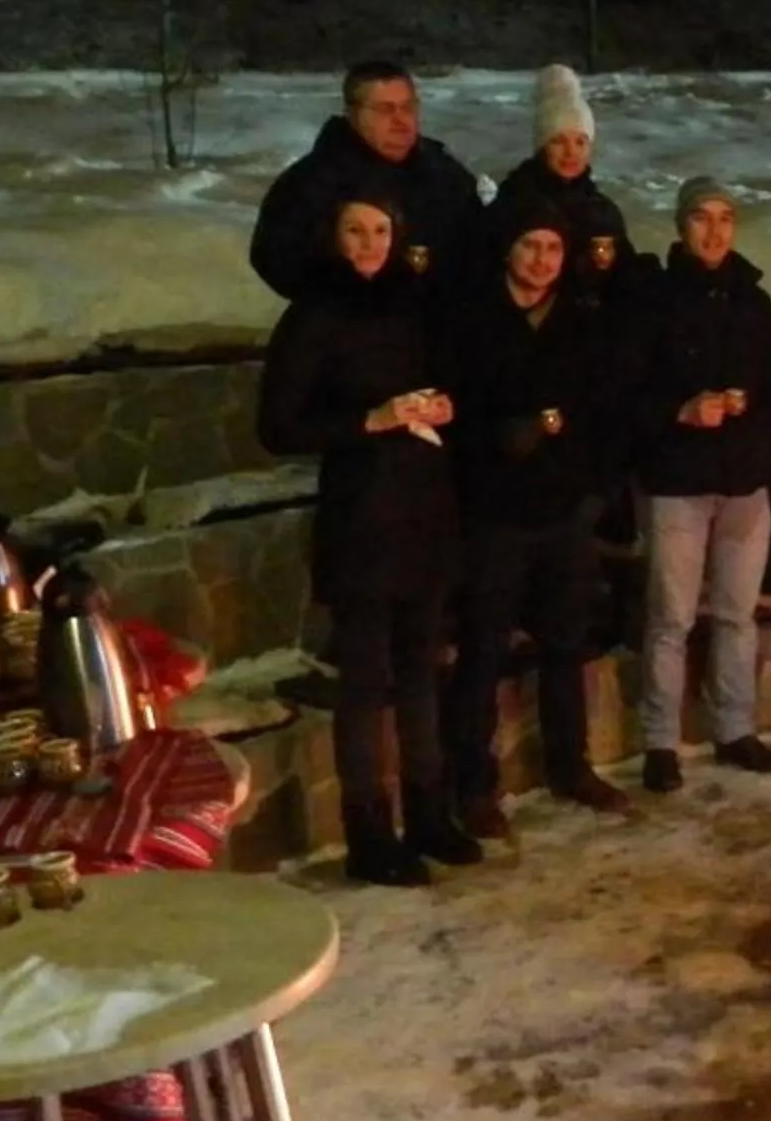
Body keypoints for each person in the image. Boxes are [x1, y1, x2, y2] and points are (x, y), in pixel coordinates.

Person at [256, 196, 477, 885]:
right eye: (355, 230)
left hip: (425, 509)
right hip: (361, 519)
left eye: (381, 230)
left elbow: (454, 378)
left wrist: (443, 405)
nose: (370, 243)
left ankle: (430, 813)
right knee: (364, 684)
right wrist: (368, 421)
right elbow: (277, 426)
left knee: (422, 670)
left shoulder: (416, 302)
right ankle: (370, 833)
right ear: (333, 236)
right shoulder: (314, 314)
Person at [442, 196, 633, 826]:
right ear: (508, 249)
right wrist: (501, 437)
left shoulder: (582, 321)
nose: (542, 259)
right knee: (482, 648)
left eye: (553, 247)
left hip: (563, 510)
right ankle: (474, 784)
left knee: (565, 644)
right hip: (493, 513)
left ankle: (569, 764)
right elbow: (455, 411)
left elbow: (604, 411)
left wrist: (591, 488)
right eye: (530, 245)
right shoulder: (473, 320)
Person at [629, 177, 771, 788]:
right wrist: (682, 410)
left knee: (736, 614)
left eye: (726, 218)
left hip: (743, 479)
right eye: (702, 217)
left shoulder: (752, 301)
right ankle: (659, 741)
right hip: (677, 480)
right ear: (681, 226)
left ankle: (735, 728)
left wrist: (758, 436)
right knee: (670, 617)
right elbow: (625, 391)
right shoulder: (653, 300)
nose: (715, 230)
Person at [250, 60, 485, 303]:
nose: (401, 121)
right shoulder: (313, 180)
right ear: (352, 115)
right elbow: (273, 257)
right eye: (385, 110)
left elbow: (480, 242)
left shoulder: (443, 171)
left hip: (439, 315)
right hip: (345, 316)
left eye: (408, 107)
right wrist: (356, 292)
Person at [489, 64, 646, 305]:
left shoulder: (602, 211)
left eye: (580, 142)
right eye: (558, 141)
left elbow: (625, 281)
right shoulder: (513, 204)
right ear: (542, 146)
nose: (571, 152)